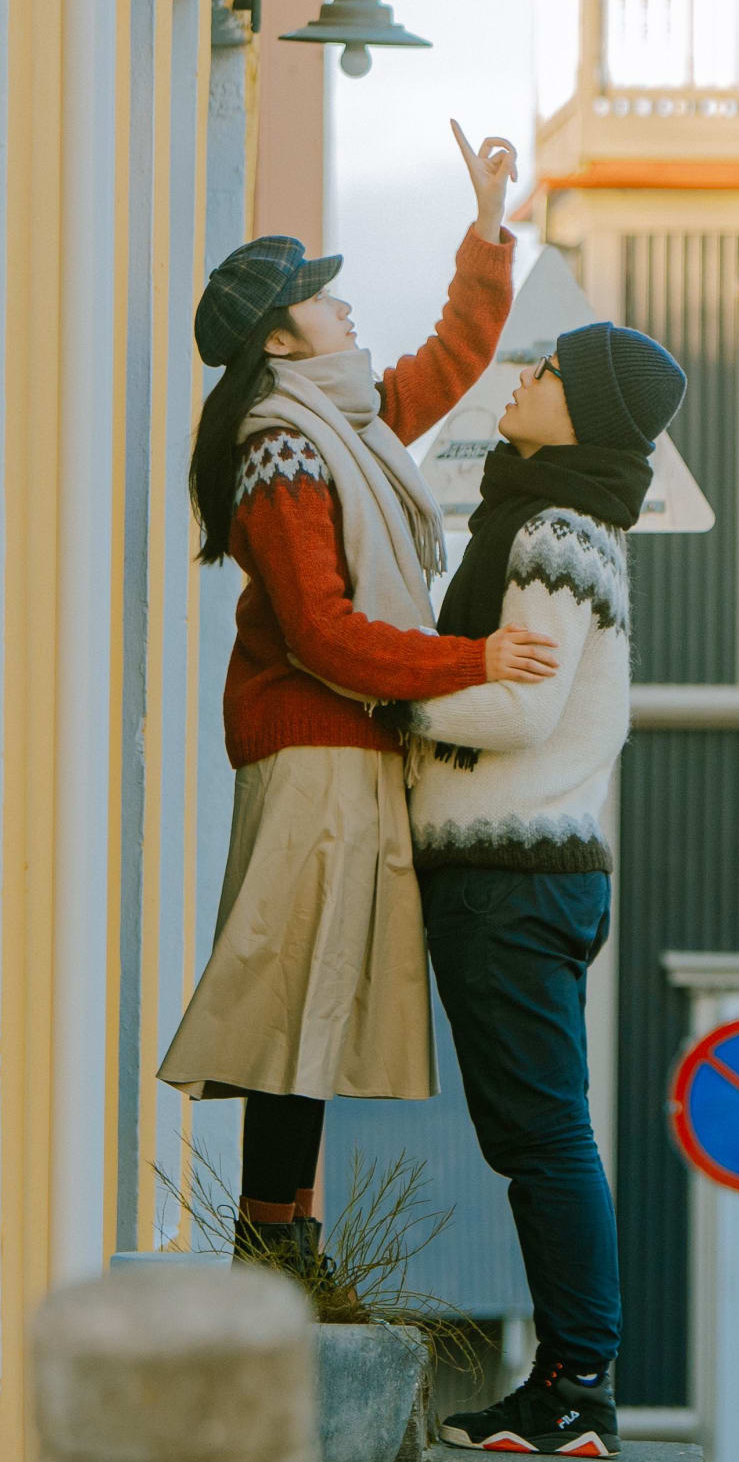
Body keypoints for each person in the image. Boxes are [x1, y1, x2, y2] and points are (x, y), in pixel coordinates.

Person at [156, 121, 554, 1258]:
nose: (344, 307)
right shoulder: (288, 447)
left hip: (347, 748)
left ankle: (282, 1239)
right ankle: (274, 1243)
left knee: (311, 999)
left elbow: (448, 359)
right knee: (297, 1001)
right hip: (318, 746)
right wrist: (472, 659)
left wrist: (485, 228)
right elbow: (327, 635)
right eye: (323, 301)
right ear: (283, 337)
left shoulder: (342, 420)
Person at [406, 321, 685, 1461]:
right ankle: (566, 1384)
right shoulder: (554, 519)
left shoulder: (557, 532)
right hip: (518, 872)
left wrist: (394, 695)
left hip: (513, 872)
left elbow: (517, 707)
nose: (524, 377)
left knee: (546, 1135)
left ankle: (579, 1388)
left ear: (589, 413)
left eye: (551, 370)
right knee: (537, 1132)